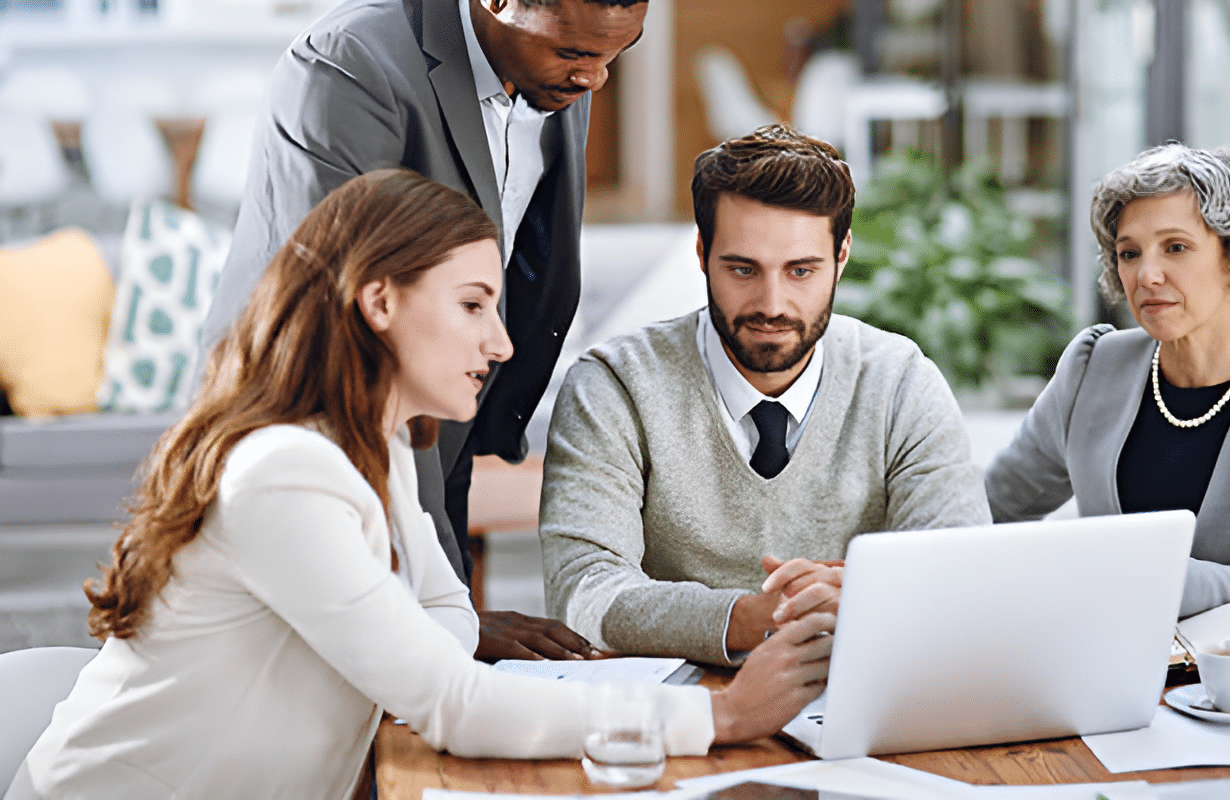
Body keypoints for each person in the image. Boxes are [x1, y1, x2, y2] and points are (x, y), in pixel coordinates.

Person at [5, 171, 834, 800]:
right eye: (473, 305)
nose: (502, 343)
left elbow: (444, 627)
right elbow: (452, 702)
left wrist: (411, 663)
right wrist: (722, 717)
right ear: (379, 301)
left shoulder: (380, 443)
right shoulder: (285, 472)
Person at [199, 0, 649, 660]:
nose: (596, 80)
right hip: (309, 431)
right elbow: (352, 341)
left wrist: (451, 613)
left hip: (439, 429)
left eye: (617, 54)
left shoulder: (560, 67)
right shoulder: (349, 68)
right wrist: (449, 620)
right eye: (578, 55)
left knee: (430, 695)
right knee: (318, 688)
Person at [537, 124, 992, 666]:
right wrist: (750, 618)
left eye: (801, 271)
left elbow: (960, 578)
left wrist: (856, 595)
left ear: (842, 256)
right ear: (702, 252)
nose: (772, 303)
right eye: (742, 269)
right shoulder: (614, 386)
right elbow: (584, 595)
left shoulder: (901, 384)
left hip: (855, 700)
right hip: (682, 715)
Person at [983, 144, 1230, 703]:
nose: (1146, 274)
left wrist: (1110, 569)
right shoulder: (1094, 367)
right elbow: (988, 508)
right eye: (1128, 253)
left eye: (1176, 247)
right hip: (1123, 683)